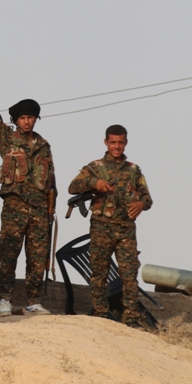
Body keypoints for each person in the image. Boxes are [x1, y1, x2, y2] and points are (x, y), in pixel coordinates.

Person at [0, 61, 56, 318]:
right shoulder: (8, 138)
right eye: (22, 117)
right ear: (16, 120)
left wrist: (50, 210)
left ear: (36, 118)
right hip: (14, 206)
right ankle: (5, 299)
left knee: (36, 258)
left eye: (30, 117)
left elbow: (51, 181)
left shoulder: (44, 145)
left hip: (39, 210)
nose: (26, 121)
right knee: (9, 253)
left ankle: (33, 300)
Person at [68, 125, 153, 328]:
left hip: (125, 230)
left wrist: (141, 204)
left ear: (126, 143)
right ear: (106, 142)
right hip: (101, 227)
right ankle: (101, 315)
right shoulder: (95, 167)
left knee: (129, 275)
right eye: (113, 142)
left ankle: (132, 318)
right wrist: (94, 182)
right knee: (99, 273)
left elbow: (148, 198)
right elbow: (73, 187)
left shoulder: (134, 170)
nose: (117, 146)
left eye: (120, 142)